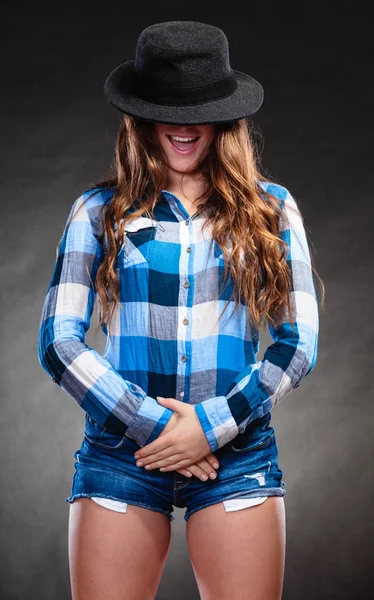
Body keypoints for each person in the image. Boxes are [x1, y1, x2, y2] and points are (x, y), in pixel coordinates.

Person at [38, 20, 323, 600]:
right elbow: (58, 341)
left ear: (224, 114)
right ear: (142, 114)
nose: (184, 123)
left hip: (235, 455)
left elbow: (298, 344)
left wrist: (210, 427)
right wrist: (163, 427)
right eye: (168, 106)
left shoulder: (272, 210)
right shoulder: (98, 211)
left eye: (198, 107)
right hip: (122, 452)